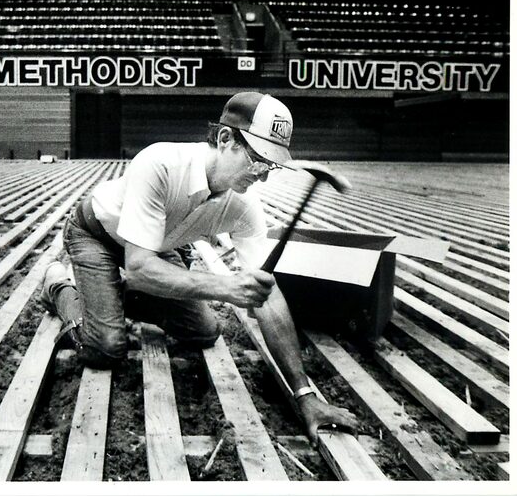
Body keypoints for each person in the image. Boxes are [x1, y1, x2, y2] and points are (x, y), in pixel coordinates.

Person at [40, 92, 358, 444]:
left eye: (270, 167)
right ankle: (60, 286)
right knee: (105, 347)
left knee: (205, 331)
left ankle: (112, 294)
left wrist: (305, 395)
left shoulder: (244, 207)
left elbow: (266, 296)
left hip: (157, 245)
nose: (262, 177)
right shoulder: (160, 162)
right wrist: (226, 288)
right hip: (97, 235)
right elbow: (141, 266)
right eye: (257, 160)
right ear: (225, 139)